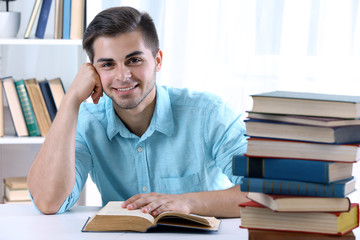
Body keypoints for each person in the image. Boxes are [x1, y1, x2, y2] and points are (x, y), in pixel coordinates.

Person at [27, 6, 248, 217]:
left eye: (134, 60)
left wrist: (188, 202)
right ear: (92, 71)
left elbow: (262, 191)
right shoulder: (88, 122)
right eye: (107, 65)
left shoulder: (209, 114)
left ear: (157, 61)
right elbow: (49, 202)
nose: (122, 76)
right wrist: (71, 100)